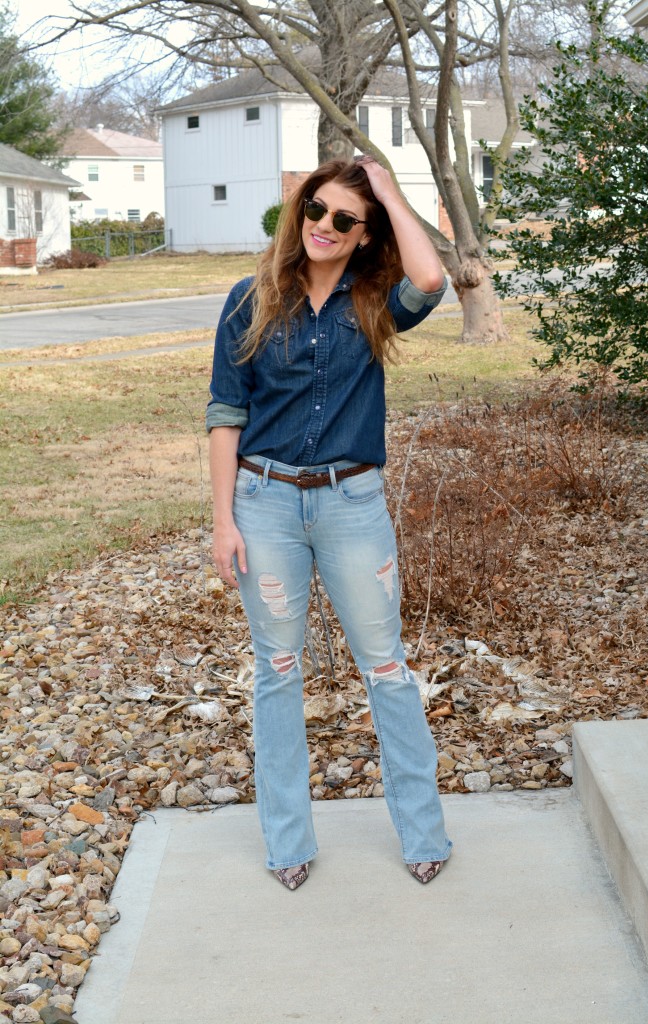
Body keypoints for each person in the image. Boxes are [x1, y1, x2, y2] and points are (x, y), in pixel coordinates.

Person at [207, 156, 452, 890]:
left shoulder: (376, 299)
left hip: (352, 506)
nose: (324, 226)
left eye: (345, 218)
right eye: (317, 209)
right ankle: (287, 843)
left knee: (386, 669)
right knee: (277, 674)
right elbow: (225, 415)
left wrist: (385, 191)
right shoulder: (249, 299)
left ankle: (422, 832)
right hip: (267, 503)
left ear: (364, 231)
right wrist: (223, 521)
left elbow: (432, 280)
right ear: (301, 212)